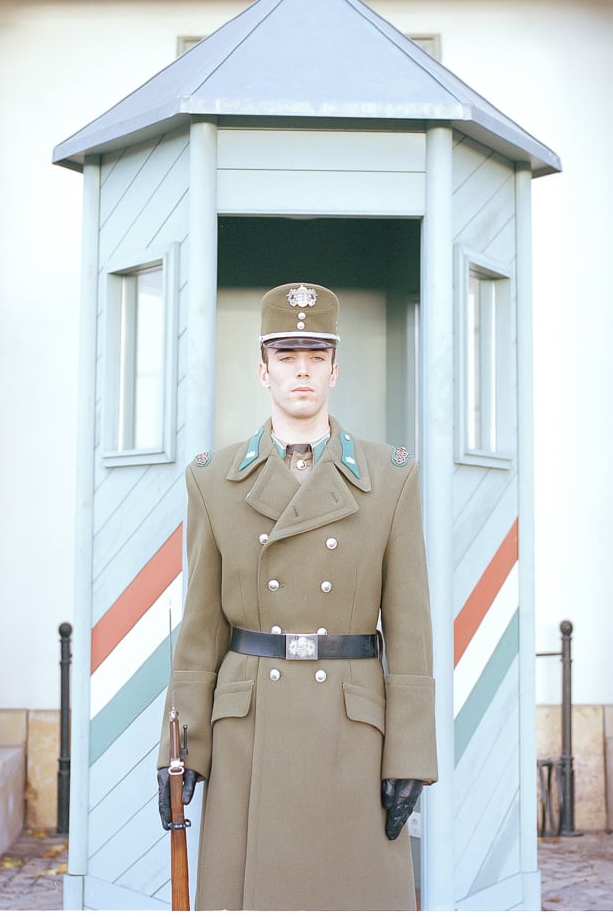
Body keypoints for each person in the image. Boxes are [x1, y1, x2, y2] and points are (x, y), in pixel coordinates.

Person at [156, 281, 436, 910]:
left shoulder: (391, 475)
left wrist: (411, 754)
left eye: (315, 357)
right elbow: (200, 631)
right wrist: (183, 747)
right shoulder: (213, 479)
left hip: (350, 723)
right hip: (251, 723)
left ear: (335, 370)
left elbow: (411, 628)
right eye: (286, 357)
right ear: (263, 370)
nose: (301, 371)